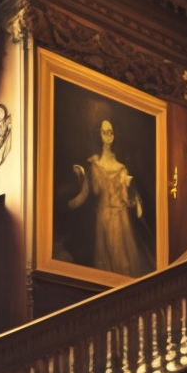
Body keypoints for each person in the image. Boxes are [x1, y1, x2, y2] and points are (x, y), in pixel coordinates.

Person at [68, 119, 154, 278]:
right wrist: (84, 174)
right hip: (104, 216)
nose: (108, 135)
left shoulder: (121, 168)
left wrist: (134, 201)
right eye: (104, 131)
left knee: (123, 263)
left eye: (111, 132)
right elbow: (93, 190)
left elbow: (125, 198)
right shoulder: (95, 164)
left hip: (120, 219)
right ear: (99, 134)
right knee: (106, 262)